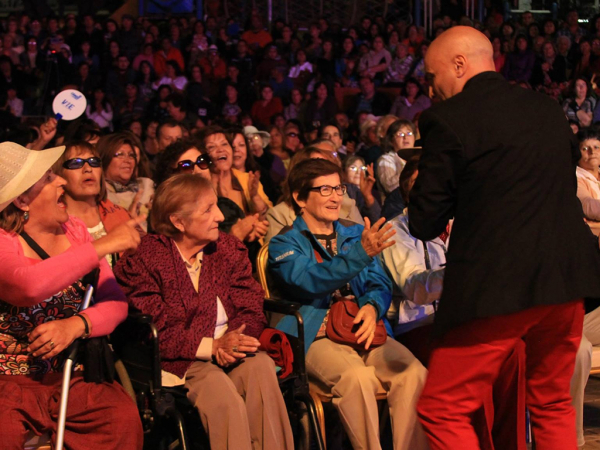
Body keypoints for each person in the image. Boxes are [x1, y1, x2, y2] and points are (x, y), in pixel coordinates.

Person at [410, 26, 600, 450]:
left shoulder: (446, 120)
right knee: (552, 405)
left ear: (458, 64)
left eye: (431, 75)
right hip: (566, 278)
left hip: (500, 284)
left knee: (443, 408)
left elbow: (424, 220)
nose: (430, 87)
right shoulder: (546, 109)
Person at [114, 174, 294, 450]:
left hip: (229, 346)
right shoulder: (145, 258)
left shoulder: (227, 249)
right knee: (223, 396)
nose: (221, 217)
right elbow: (157, 329)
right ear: (178, 221)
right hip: (181, 359)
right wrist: (212, 347)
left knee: (261, 367)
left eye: (217, 206)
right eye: (208, 209)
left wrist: (235, 340)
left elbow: (250, 303)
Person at [268, 158, 428, 450]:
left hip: (362, 326)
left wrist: (372, 308)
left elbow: (380, 282)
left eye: (338, 188)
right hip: (317, 332)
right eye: (325, 189)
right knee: (356, 379)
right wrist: (361, 254)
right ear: (300, 197)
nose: (335, 197)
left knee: (414, 373)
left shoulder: (355, 233)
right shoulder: (284, 243)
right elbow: (309, 280)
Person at [0, 141, 143, 449]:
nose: (62, 180)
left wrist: (76, 325)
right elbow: (28, 286)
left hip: (69, 377)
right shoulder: (3, 240)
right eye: (50, 178)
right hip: (8, 384)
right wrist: (102, 246)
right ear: (23, 199)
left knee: (120, 419)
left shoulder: (75, 232)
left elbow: (116, 302)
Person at [53, 140, 132, 267]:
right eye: (76, 163)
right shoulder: (53, 224)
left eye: (94, 162)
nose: (88, 169)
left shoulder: (120, 215)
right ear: (59, 174)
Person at [197, 126, 272, 220]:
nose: (221, 149)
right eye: (212, 147)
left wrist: (255, 197)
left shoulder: (247, 179)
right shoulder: (202, 185)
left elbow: (269, 218)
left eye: (224, 144)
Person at [97, 132, 154, 231]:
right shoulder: (97, 194)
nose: (128, 160)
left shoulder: (146, 186)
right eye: (120, 155)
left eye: (131, 155)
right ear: (105, 158)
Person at [377, 119, 416, 196]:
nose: (405, 137)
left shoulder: (419, 157)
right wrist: (411, 168)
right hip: (396, 205)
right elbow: (390, 187)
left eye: (409, 133)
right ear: (391, 140)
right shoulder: (386, 160)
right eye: (400, 134)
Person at [575, 127, 600, 235]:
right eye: (585, 149)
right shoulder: (575, 177)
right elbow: (586, 204)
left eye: (596, 147)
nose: (592, 152)